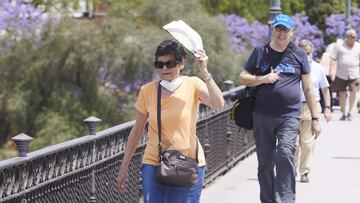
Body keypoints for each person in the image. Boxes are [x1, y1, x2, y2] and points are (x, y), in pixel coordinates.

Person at [116, 39, 225, 203]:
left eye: (170, 63)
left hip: (187, 163)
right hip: (154, 163)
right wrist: (124, 165)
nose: (164, 68)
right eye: (160, 64)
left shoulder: (193, 84)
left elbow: (218, 103)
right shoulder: (148, 91)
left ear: (182, 63)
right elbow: (137, 131)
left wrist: (204, 70)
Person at [239, 14, 321, 203]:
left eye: (285, 30)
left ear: (292, 32)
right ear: (273, 30)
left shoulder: (299, 54)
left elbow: (308, 88)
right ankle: (269, 200)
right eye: (278, 29)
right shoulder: (260, 51)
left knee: (285, 153)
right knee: (265, 162)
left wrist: (315, 118)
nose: (282, 33)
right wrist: (262, 79)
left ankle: (286, 199)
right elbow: (243, 77)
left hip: (290, 115)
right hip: (262, 115)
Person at [295, 39, 332, 183]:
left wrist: (327, 108)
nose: (306, 55)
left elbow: (325, 89)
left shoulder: (317, 68)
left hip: (312, 107)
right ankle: (291, 168)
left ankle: (304, 171)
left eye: (308, 52)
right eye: (303, 52)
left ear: (312, 51)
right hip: (293, 106)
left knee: (308, 142)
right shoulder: (292, 67)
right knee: (294, 143)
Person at [330, 29, 360, 121]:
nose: (355, 38)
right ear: (347, 37)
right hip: (341, 73)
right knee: (341, 93)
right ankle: (343, 112)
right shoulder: (339, 46)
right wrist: (332, 71)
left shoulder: (358, 46)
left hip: (354, 73)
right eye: (353, 36)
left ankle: (350, 112)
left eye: (355, 36)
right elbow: (333, 59)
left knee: (353, 92)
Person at [319, 42, 337, 111]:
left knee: (321, 91)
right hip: (328, 75)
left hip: (322, 74)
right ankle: (329, 107)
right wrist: (333, 77)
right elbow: (332, 67)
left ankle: (323, 106)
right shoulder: (333, 56)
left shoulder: (324, 54)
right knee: (328, 92)